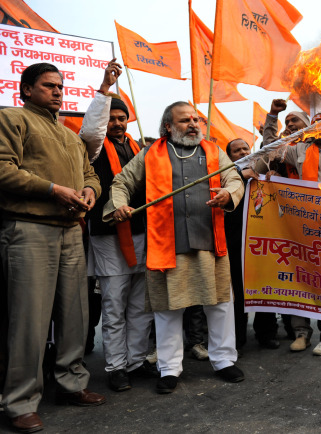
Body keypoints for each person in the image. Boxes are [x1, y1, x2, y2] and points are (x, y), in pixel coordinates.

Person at [103, 101, 245, 393]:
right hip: (166, 244)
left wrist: (227, 194)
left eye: (196, 119)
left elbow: (234, 179)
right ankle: (169, 369)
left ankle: (224, 360)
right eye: (184, 121)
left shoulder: (213, 150)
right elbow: (121, 183)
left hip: (210, 242)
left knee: (219, 304)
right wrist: (119, 205)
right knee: (168, 310)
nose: (193, 124)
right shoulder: (150, 154)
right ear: (168, 126)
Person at [0, 63, 105, 433]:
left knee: (74, 315)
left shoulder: (71, 135)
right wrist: (53, 189)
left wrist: (90, 190)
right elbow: (2, 169)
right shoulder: (11, 118)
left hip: (71, 232)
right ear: (26, 89)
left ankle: (71, 384)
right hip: (29, 229)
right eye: (48, 86)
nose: (58, 92)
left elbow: (89, 173)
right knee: (30, 320)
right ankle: (19, 402)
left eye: (60, 86)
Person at [79, 59, 155, 392]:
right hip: (109, 237)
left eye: (122, 118)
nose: (117, 123)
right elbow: (91, 130)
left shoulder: (139, 148)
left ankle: (137, 361)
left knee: (141, 303)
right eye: (111, 118)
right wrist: (105, 90)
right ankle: (116, 367)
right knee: (114, 304)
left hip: (143, 234)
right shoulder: (94, 148)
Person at [252, 118, 321, 356]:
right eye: (315, 122)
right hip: (306, 222)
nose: (320, 126)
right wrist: (272, 117)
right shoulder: (300, 149)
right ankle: (303, 333)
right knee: (308, 274)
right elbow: (270, 149)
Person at [225, 139, 280, 351]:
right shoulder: (225, 174)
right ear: (229, 157)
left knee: (264, 286)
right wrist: (239, 176)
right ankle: (238, 337)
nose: (242, 152)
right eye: (236, 150)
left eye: (245, 148)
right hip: (235, 240)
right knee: (238, 290)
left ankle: (266, 333)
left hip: (261, 242)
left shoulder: (263, 170)